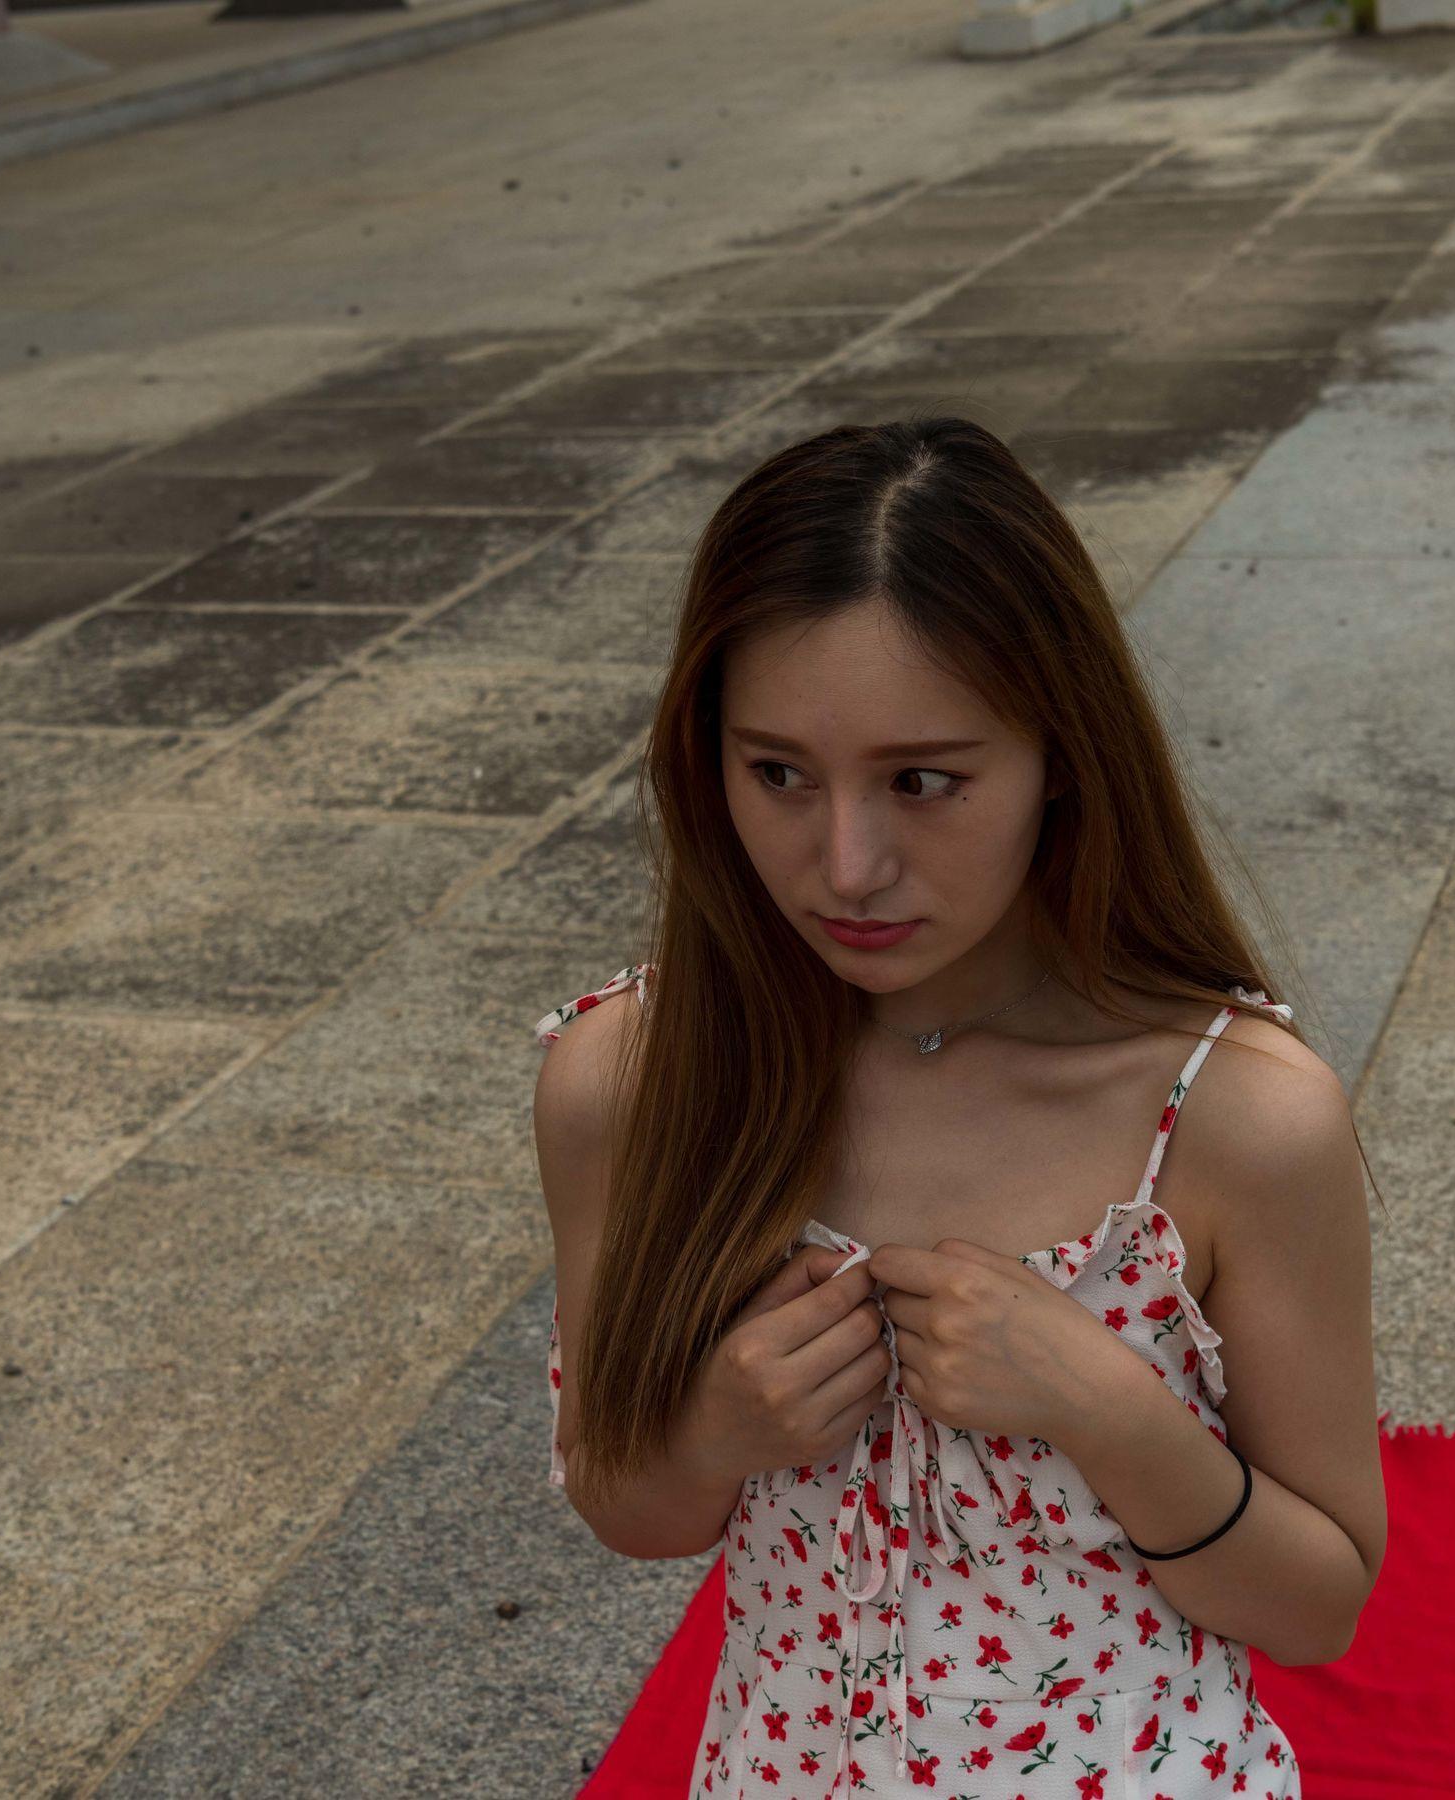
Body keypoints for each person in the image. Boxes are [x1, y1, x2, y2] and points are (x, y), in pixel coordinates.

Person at [527, 415, 1384, 1798]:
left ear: (1063, 754)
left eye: (922, 781)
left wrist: (1112, 1413)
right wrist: (714, 1434)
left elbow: (1320, 1607)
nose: (847, 864)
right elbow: (626, 1504)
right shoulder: (630, 1082)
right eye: (778, 773)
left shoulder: (1234, 1118)